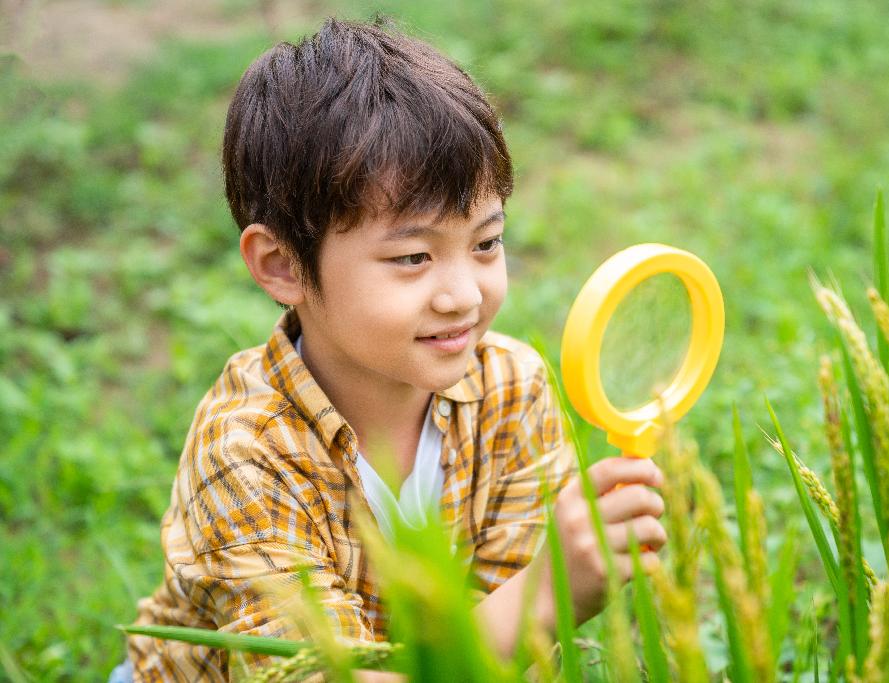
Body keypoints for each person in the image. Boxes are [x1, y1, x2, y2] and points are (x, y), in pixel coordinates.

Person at [122, 16, 667, 682]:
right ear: (283, 264)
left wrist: (532, 603)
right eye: (413, 256)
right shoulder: (245, 453)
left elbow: (502, 655)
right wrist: (544, 596)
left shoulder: (512, 391)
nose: (463, 294)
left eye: (487, 243)